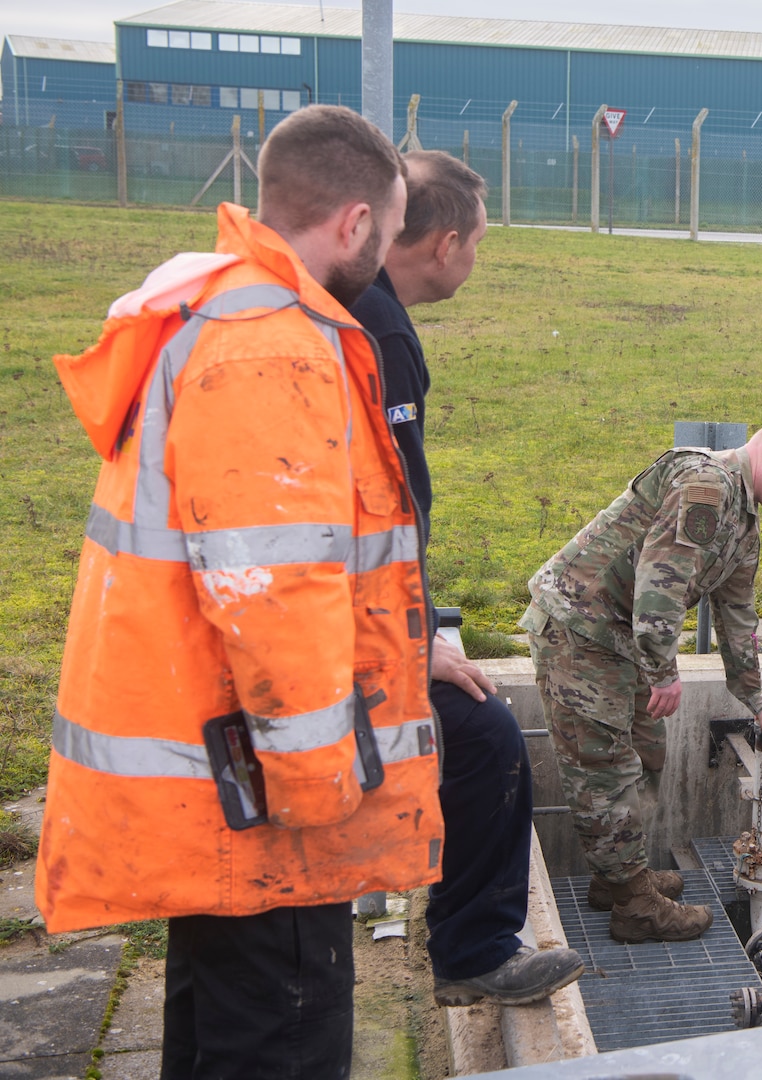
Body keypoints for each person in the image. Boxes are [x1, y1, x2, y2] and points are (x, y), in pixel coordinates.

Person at [38, 105, 443, 1078]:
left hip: (213, 762)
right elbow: (276, 592)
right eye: (386, 235)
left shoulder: (218, 310)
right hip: (267, 800)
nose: (385, 259)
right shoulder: (273, 343)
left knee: (216, 1022)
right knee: (279, 1035)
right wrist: (322, 798)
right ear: (353, 223)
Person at [351, 150, 584, 1009]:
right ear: (444, 244)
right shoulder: (378, 329)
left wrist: (427, 619)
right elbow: (383, 512)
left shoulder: (362, 308)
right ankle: (475, 949)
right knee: (485, 738)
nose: (477, 262)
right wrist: (416, 648)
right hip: (347, 628)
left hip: (362, 608)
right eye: (479, 244)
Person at [521, 416, 762, 943]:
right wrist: (663, 672)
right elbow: (660, 583)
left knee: (644, 755)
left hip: (621, 639)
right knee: (605, 772)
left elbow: (738, 614)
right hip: (581, 627)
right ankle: (635, 907)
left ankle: (617, 877)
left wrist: (754, 695)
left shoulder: (743, 522)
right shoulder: (706, 486)